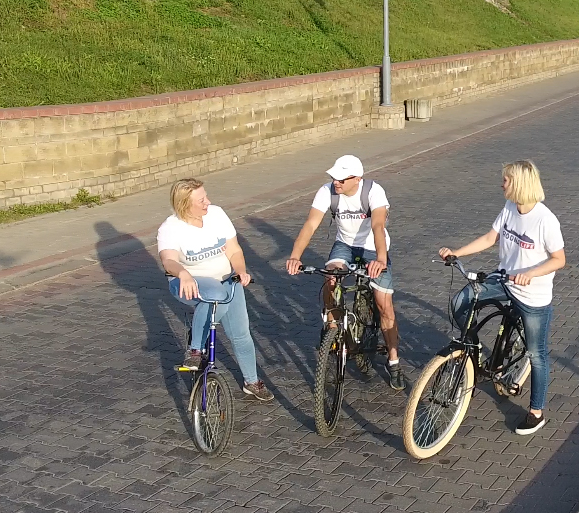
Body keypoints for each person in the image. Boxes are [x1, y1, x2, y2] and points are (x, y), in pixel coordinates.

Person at [437, 160, 566, 436]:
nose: (501, 184)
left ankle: (536, 412)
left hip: (533, 295)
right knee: (461, 303)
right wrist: (456, 253)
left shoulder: (546, 220)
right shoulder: (509, 208)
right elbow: (488, 239)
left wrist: (531, 273)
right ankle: (475, 353)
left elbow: (559, 259)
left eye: (505, 180)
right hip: (504, 280)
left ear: (518, 183)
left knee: (536, 354)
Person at [285, 155, 406, 391]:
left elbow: (378, 226)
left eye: (341, 178)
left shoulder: (373, 191)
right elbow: (311, 224)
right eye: (333, 177)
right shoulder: (327, 192)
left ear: (357, 179)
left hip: (372, 246)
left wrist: (381, 259)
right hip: (345, 245)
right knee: (330, 278)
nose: (335, 182)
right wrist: (295, 256)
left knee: (384, 306)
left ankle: (394, 361)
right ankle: (334, 335)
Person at [157, 178, 271, 401]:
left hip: (226, 279)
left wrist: (240, 271)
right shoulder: (170, 228)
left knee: (242, 334)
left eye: (206, 196)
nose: (208, 202)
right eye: (201, 200)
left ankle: (251, 381)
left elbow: (234, 249)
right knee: (215, 295)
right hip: (188, 282)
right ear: (183, 204)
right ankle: (195, 350)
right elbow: (168, 261)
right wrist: (184, 274)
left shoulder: (217, 214)